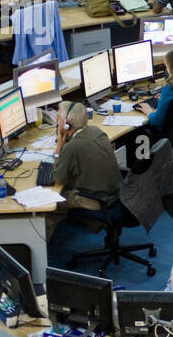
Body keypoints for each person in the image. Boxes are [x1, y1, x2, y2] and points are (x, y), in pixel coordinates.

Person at [45, 101, 122, 242]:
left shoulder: (72, 147)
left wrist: (59, 148)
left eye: (59, 118)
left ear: (67, 125)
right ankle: (103, 226)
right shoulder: (96, 131)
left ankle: (39, 250)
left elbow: (57, 179)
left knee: (52, 204)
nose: (56, 119)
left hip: (97, 200)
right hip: (115, 193)